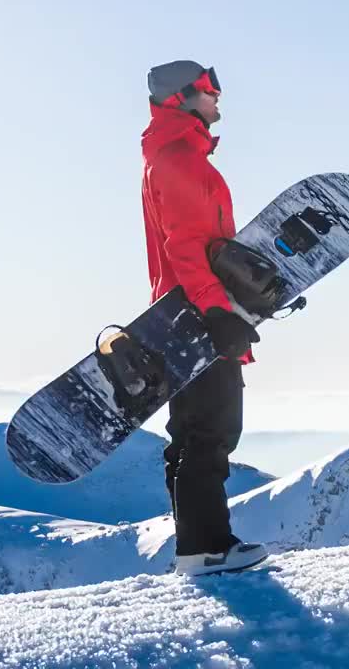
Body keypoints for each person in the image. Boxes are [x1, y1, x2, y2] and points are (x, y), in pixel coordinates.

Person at [140, 59, 267, 575]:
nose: (218, 99)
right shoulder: (180, 160)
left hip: (183, 310)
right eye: (210, 90)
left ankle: (197, 546)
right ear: (182, 97)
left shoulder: (177, 156)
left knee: (194, 429)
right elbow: (188, 245)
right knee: (209, 430)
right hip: (195, 313)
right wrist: (217, 311)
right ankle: (205, 548)